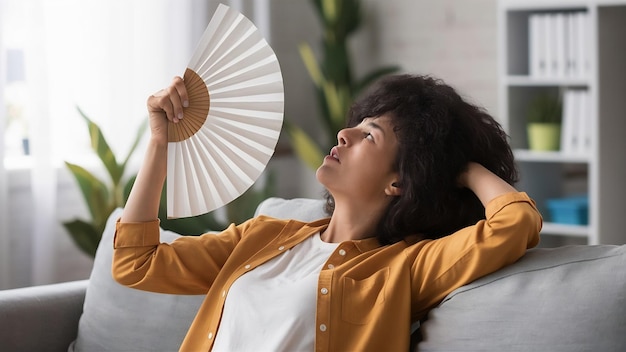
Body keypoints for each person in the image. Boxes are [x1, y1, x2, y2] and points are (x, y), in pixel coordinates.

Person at [113, 74, 542, 351]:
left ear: (401, 182)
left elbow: (514, 224)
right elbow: (136, 264)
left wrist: (459, 168)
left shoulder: (403, 269)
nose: (345, 132)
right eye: (359, 123)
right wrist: (160, 142)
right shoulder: (263, 236)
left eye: (370, 136)